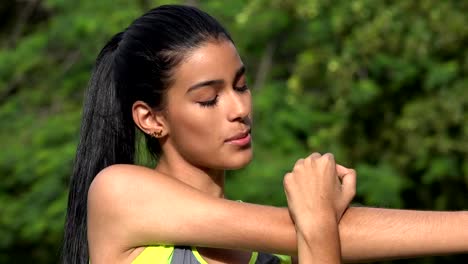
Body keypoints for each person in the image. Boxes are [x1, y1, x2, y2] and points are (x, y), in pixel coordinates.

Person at [62, 4, 468, 264]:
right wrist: (317, 224)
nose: (240, 110)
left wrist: (316, 225)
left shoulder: (275, 251)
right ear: (151, 119)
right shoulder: (119, 192)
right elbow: (297, 229)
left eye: (240, 85)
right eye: (208, 99)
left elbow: (295, 231)